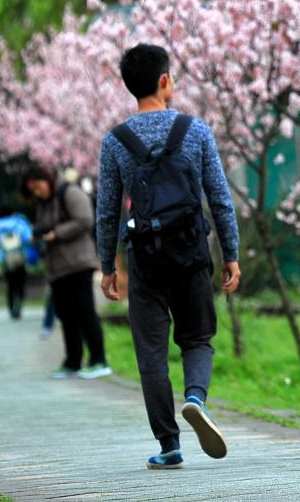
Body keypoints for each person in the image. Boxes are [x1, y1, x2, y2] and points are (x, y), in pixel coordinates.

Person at [96, 43, 241, 470]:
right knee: (197, 338)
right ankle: (195, 398)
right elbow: (219, 197)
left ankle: (168, 444)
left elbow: (106, 210)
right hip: (191, 252)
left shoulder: (116, 141)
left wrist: (108, 265)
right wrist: (230, 252)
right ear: (164, 81)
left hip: (144, 259)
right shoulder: (194, 131)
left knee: (151, 353)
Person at [21, 168, 111, 380]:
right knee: (66, 315)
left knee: (85, 311)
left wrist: (56, 234)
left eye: (37, 187)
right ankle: (73, 361)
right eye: (32, 190)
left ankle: (99, 360)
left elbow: (85, 219)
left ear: (45, 179)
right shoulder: (44, 202)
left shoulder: (69, 192)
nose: (36, 193)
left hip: (78, 263)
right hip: (57, 268)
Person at [0, 206, 34, 319]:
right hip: (20, 257)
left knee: (10, 284)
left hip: (5, 259)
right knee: (21, 283)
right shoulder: (19, 222)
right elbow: (28, 237)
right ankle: (19, 304)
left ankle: (11, 307)